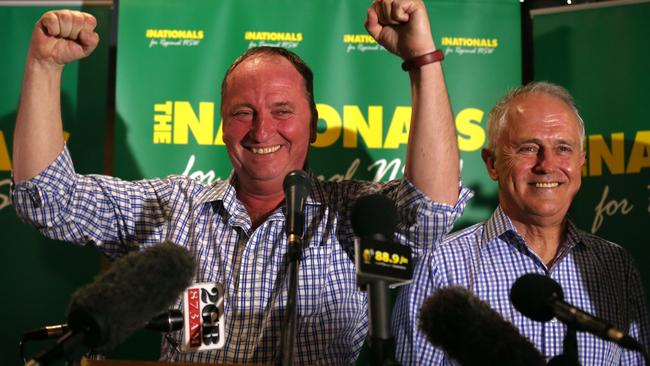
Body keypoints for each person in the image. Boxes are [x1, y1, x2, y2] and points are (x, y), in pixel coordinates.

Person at [11, 1, 470, 364]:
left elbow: (430, 210)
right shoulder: (173, 206)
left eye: (282, 111)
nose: (261, 130)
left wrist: (421, 59)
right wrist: (45, 67)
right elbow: (47, 200)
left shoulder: (352, 215)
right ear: (223, 125)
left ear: (314, 125)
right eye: (242, 113)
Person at [394, 81, 650, 365]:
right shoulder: (438, 265)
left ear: (581, 163)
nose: (547, 164)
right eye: (529, 148)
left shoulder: (616, 266)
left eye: (563, 148)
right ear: (492, 164)